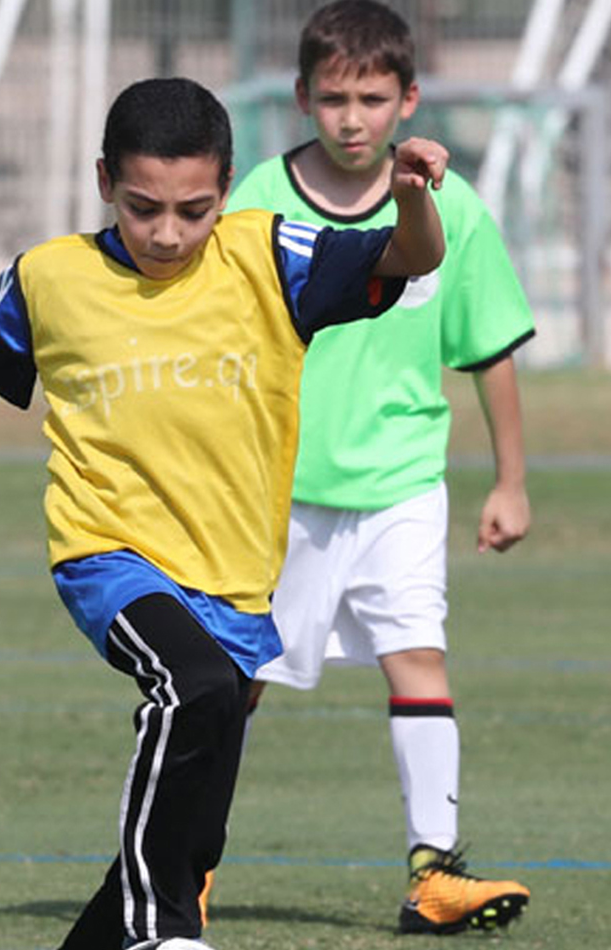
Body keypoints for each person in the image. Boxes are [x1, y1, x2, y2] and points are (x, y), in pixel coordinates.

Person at [0, 77, 450, 950]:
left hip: (236, 580)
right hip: (109, 554)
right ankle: (163, 932)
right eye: (143, 207)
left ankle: (125, 924)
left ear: (227, 187)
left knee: (192, 824)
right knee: (190, 688)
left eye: (194, 210)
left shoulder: (272, 256)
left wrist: (412, 199)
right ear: (103, 182)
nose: (168, 232)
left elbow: (407, 259)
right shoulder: (50, 276)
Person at [225, 0, 533, 934]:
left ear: (409, 99)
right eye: (332, 98)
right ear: (300, 99)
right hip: (279, 490)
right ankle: (177, 862)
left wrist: (510, 480)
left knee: (419, 658)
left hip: (403, 483)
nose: (351, 118)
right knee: (233, 681)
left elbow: (488, 349)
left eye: (370, 97)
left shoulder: (455, 207)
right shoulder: (253, 203)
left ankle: (433, 873)